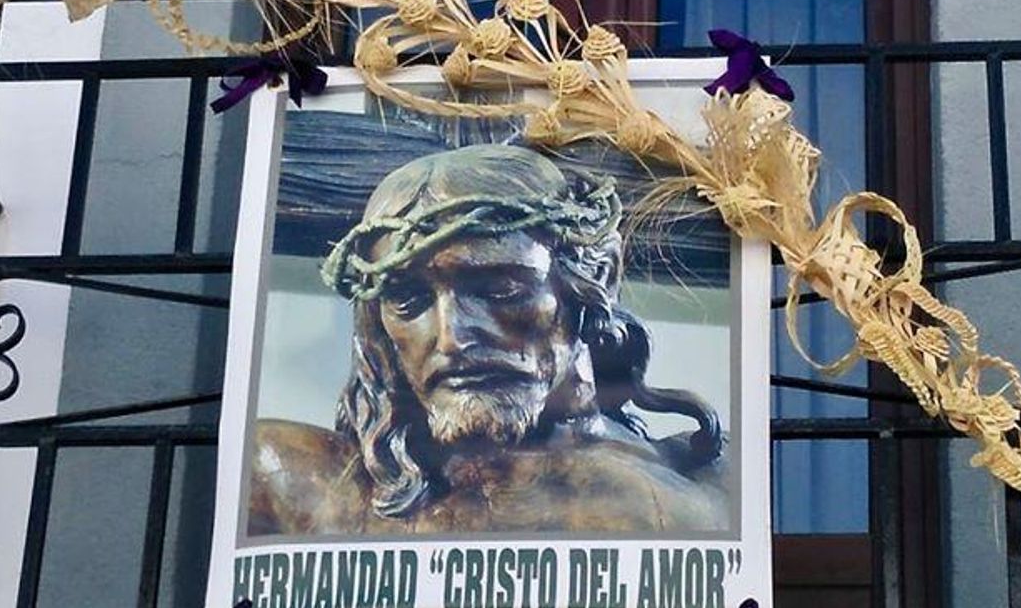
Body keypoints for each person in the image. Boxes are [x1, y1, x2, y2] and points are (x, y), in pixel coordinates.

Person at [248, 144, 728, 535]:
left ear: (598, 274)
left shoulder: (714, 485)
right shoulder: (285, 479)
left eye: (501, 289)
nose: (452, 338)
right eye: (408, 300)